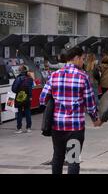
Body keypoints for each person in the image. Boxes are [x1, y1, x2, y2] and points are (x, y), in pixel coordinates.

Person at [39, 47, 98, 175]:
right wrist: (95, 118)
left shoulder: (54, 75)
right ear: (76, 58)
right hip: (75, 128)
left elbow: (42, 99)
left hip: (57, 126)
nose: (83, 62)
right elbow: (90, 103)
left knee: (58, 157)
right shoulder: (83, 77)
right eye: (82, 59)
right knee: (73, 160)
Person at [12, 65, 34, 134]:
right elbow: (31, 88)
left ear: (20, 70)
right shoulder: (30, 78)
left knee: (19, 113)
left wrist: (19, 92)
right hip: (27, 98)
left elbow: (14, 89)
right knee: (28, 112)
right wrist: (30, 96)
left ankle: (19, 129)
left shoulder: (18, 78)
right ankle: (28, 128)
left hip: (20, 97)